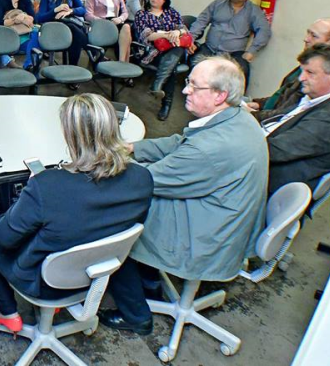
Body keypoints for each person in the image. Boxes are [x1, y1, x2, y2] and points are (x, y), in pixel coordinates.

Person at [99, 57, 268, 335]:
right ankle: (149, 282)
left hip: (205, 238)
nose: (185, 90)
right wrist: (132, 148)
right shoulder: (237, 116)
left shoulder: (211, 149)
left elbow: (147, 180)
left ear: (219, 95)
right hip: (222, 218)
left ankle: (135, 314)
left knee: (115, 222)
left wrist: (106, 163)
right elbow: (180, 142)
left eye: (194, 86)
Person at [0, 93, 153, 333]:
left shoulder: (48, 186)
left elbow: (4, 239)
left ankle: (7, 311)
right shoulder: (142, 179)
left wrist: (27, 197)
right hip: (99, 272)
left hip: (44, 281)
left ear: (71, 136)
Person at [263, 45, 330, 195]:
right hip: (264, 157)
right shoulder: (317, 99)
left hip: (266, 183)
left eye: (310, 72)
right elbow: (278, 117)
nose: (301, 78)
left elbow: (274, 151)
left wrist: (240, 138)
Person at [247, 18, 330, 121]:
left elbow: (287, 113)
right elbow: (283, 96)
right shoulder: (304, 67)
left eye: (314, 36)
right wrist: (259, 104)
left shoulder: (318, 80)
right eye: (308, 33)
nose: (306, 39)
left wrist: (252, 115)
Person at [188, 0, 272, 85]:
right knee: (195, 65)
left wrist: (252, 51)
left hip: (234, 54)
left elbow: (264, 31)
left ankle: (236, 101)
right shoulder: (218, 4)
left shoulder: (253, 11)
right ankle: (194, 95)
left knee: (242, 72)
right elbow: (201, 21)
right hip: (209, 48)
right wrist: (190, 40)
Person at [133, 0, 187, 121]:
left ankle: (158, 85)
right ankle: (165, 104)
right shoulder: (142, 14)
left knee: (177, 49)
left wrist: (177, 31)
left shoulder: (171, 12)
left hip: (172, 49)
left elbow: (184, 29)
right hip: (151, 52)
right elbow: (146, 36)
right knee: (173, 65)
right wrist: (166, 35)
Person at [36, 0, 88, 67]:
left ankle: (71, 69)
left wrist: (71, 11)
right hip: (52, 27)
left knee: (73, 35)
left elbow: (83, 10)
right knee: (73, 30)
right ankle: (86, 49)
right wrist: (56, 10)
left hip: (69, 26)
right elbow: (40, 18)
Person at [85, 0, 134, 65]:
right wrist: (103, 22)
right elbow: (88, 14)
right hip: (99, 24)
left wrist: (119, 19)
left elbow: (125, 12)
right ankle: (125, 67)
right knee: (127, 39)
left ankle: (121, 63)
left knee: (126, 27)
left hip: (114, 23)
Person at [0, 0, 37, 69]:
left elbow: (33, 18)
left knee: (36, 34)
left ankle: (29, 66)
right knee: (35, 47)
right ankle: (31, 68)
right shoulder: (0, 0)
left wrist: (22, 15)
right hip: (8, 36)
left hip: (24, 35)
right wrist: (16, 20)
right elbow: (0, 22)